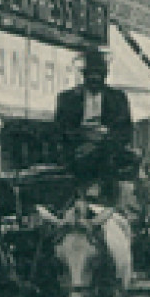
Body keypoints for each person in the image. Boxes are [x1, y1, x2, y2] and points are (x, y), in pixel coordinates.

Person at [53, 49, 137, 211]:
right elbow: (59, 130)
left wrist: (100, 143)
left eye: (98, 74)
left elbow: (125, 131)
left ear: (105, 76)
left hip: (107, 153)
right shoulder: (67, 98)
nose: (94, 79)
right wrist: (81, 139)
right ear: (84, 75)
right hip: (76, 152)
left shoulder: (118, 99)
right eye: (90, 75)